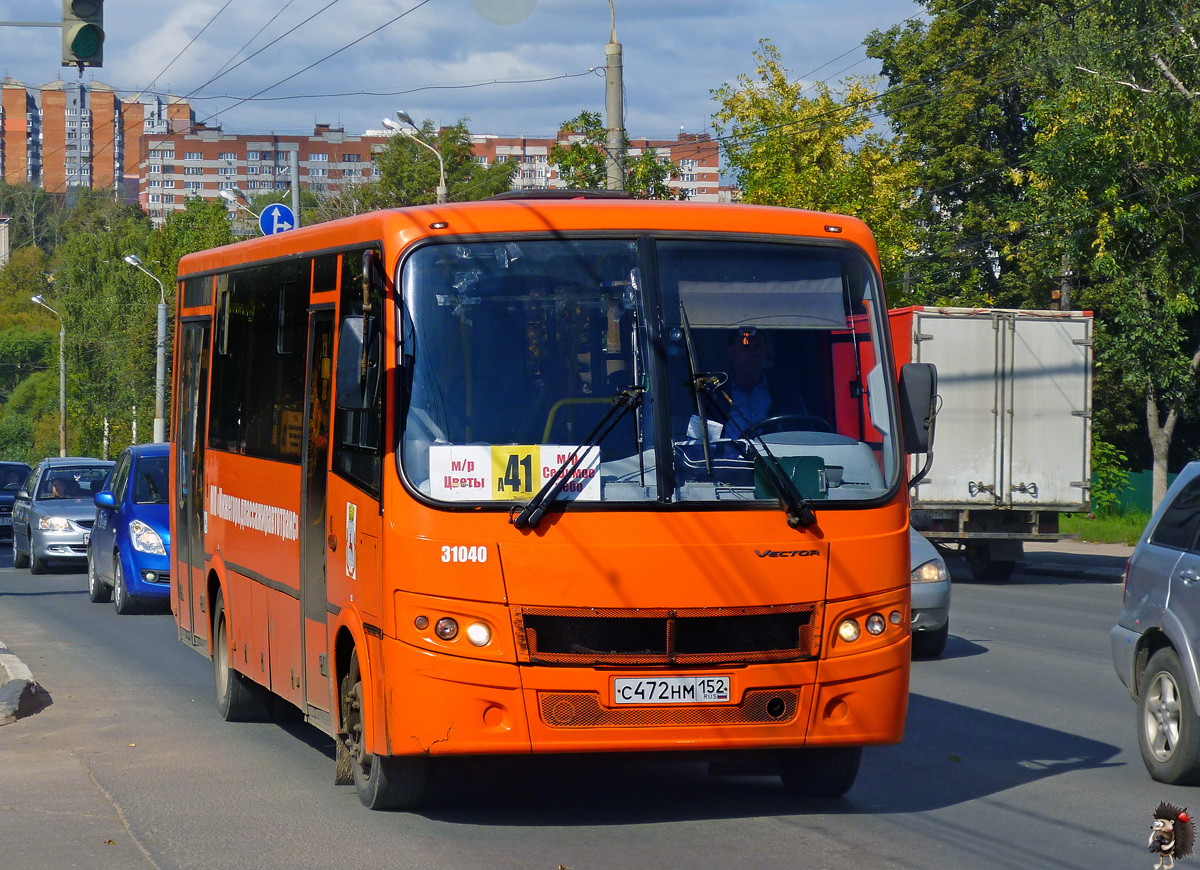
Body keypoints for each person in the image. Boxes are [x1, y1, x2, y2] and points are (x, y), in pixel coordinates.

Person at [721, 327, 808, 437]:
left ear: (765, 351)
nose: (752, 353)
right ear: (731, 352)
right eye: (745, 347)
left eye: (757, 347)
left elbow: (805, 431)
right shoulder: (715, 393)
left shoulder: (785, 390)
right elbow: (701, 441)